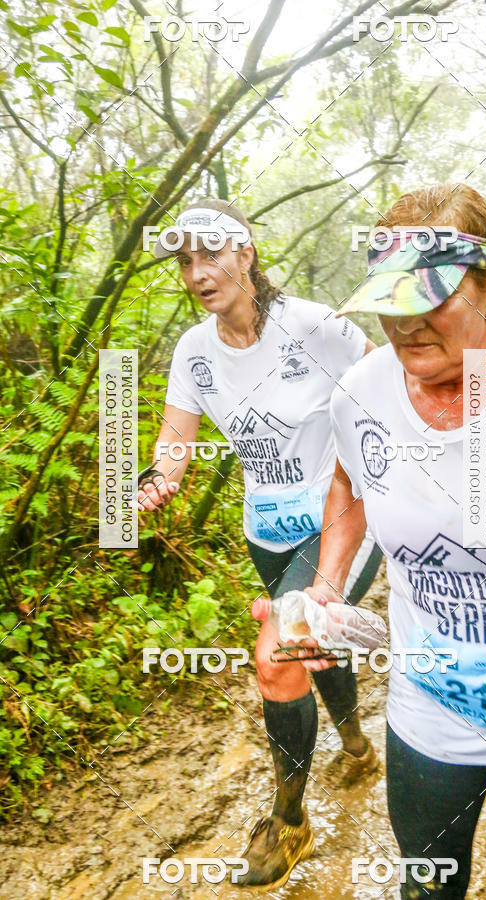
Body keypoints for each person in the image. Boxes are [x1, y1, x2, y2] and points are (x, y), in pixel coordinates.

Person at [304, 184, 486, 898]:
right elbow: (349, 481)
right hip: (432, 697)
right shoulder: (360, 392)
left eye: (429, 299)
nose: (403, 324)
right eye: (388, 299)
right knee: (430, 884)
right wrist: (326, 584)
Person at [136, 199, 383, 890]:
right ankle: (359, 748)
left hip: (338, 522)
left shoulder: (316, 327)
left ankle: (289, 820)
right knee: (311, 647)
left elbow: (387, 390)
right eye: (185, 261)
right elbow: (174, 443)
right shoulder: (194, 350)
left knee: (279, 649)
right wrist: (156, 480)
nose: (197, 272)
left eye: (210, 254)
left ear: (245, 253)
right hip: (264, 530)